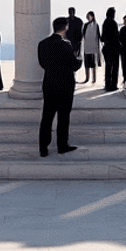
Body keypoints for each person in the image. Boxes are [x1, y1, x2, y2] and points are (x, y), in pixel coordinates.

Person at [38, 16, 82, 156]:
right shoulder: (66, 45)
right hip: (65, 86)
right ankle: (62, 145)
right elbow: (74, 65)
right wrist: (79, 60)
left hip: (49, 84)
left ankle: (43, 148)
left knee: (47, 117)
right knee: (63, 117)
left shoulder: (42, 44)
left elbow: (43, 64)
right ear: (65, 28)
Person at [100, 7, 121, 92]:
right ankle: (113, 85)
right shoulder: (113, 23)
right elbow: (115, 36)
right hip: (114, 48)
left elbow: (102, 37)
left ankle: (107, 84)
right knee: (115, 67)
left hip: (106, 47)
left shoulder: (104, 22)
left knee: (108, 67)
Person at [80, 10, 101, 84]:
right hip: (86, 47)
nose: (88, 17)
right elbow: (83, 35)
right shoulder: (85, 25)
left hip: (94, 47)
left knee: (93, 64)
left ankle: (94, 78)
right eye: (87, 16)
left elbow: (98, 36)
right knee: (87, 64)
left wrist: (98, 48)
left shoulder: (96, 25)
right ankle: (87, 78)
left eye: (89, 16)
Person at [119, 15, 126, 85]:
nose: (125, 22)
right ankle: (125, 78)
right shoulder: (122, 29)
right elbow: (119, 39)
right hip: (123, 50)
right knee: (124, 65)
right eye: (124, 20)